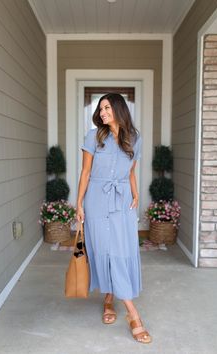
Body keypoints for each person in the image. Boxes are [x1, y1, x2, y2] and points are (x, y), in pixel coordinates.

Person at [76, 93, 152, 344]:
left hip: (122, 200)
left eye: (107, 107)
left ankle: (113, 298)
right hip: (96, 199)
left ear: (118, 109)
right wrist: (79, 204)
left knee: (120, 251)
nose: (103, 112)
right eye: (101, 109)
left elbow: (131, 169)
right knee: (103, 250)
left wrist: (136, 192)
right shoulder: (93, 136)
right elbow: (86, 172)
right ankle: (129, 313)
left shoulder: (135, 138)